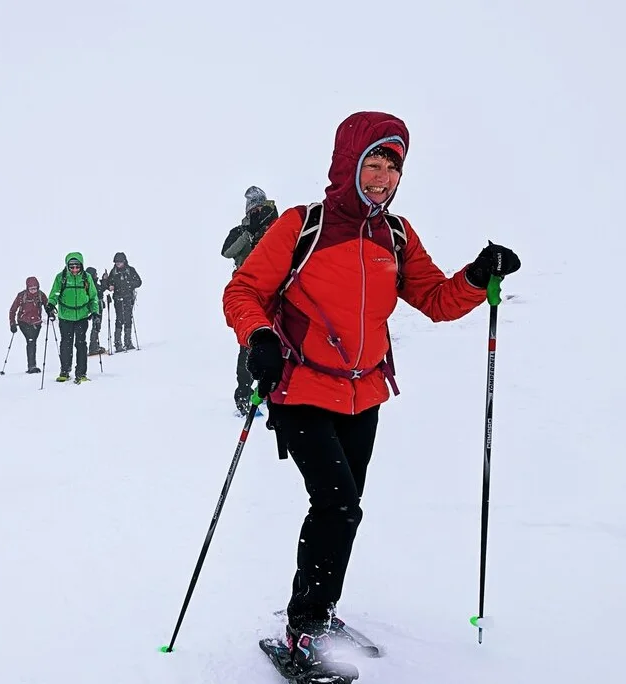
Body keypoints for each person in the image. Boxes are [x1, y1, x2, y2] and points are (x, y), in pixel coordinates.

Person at [222, 111, 520, 668]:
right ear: (347, 165)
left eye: (392, 167)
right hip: (299, 388)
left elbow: (437, 300)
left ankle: (320, 605)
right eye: (372, 163)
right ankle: (303, 627)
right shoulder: (301, 225)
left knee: (346, 507)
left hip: (365, 396)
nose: (382, 177)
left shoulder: (397, 235)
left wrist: (480, 275)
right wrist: (258, 335)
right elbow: (242, 291)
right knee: (335, 503)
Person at [221, 186, 280, 413]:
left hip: (275, 293)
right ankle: (244, 394)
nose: (256, 211)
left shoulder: (274, 225)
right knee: (249, 344)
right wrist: (248, 233)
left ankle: (268, 390)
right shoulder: (241, 230)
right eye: (252, 208)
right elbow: (226, 251)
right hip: (248, 295)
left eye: (259, 207)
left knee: (275, 344)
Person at [46, 252, 100, 383]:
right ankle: (65, 370)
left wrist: (95, 312)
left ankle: (81, 373)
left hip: (82, 316)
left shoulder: (87, 278)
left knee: (81, 345)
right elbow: (55, 293)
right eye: (72, 267)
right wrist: (50, 304)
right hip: (65, 316)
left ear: (81, 265)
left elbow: (93, 297)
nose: (75, 270)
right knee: (66, 344)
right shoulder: (61, 278)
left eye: (77, 267)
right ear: (68, 266)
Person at [100, 252, 142, 351]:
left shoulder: (130, 270)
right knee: (120, 318)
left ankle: (128, 342)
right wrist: (107, 283)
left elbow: (139, 282)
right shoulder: (113, 272)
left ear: (124, 261)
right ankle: (118, 343)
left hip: (128, 298)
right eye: (116, 262)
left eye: (119, 262)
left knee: (128, 318)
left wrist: (129, 285)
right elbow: (108, 284)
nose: (118, 264)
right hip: (118, 298)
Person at [8, 276, 48, 374]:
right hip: (23, 322)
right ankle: (32, 366)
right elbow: (13, 310)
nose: (33, 291)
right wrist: (12, 323)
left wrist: (51, 313)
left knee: (32, 341)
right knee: (31, 341)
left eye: (35, 288)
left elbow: (47, 305)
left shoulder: (41, 295)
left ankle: (32, 365)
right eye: (31, 289)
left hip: (36, 323)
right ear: (27, 288)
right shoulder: (21, 296)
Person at [84, 266, 108, 355]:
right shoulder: (91, 284)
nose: (96, 275)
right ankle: (93, 346)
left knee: (96, 325)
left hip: (94, 306)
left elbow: (101, 289)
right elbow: (100, 290)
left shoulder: (88, 283)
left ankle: (94, 345)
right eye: (95, 274)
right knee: (96, 325)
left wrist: (104, 279)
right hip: (96, 306)